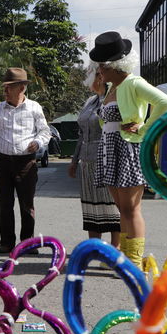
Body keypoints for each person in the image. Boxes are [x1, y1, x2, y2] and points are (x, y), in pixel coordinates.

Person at [89, 31, 167, 268]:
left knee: (131, 208)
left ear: (114, 66)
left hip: (128, 150)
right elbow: (107, 122)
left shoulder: (133, 83)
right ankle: (124, 258)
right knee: (121, 209)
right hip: (111, 150)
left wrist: (144, 128)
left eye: (102, 66)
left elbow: (164, 102)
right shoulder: (110, 89)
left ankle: (133, 262)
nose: (99, 71)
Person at [0, 67, 51, 254]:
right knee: (4, 205)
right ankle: (6, 243)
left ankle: (27, 243)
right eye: (4, 86)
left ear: (21, 88)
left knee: (26, 204)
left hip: (26, 163)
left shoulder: (34, 107)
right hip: (3, 162)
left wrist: (38, 143)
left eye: (9, 87)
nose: (4, 90)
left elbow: (45, 131)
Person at [68, 64, 121, 247]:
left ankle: (115, 249)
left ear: (100, 77)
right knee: (90, 207)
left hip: (106, 158)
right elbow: (82, 134)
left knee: (112, 206)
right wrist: (74, 161)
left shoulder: (112, 98)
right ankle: (94, 248)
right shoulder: (89, 101)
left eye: (91, 74)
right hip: (87, 161)